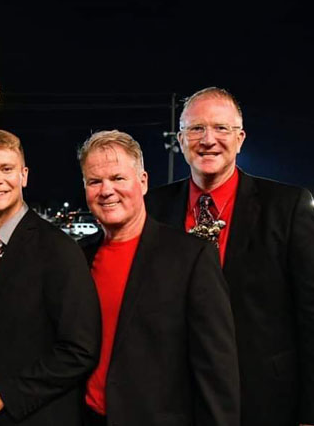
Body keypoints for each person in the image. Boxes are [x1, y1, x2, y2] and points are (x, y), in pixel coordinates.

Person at [146, 87, 314, 426]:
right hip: (174, 402)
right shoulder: (153, 208)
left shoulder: (287, 207)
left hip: (265, 401)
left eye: (221, 128)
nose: (208, 139)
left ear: (240, 138)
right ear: (180, 139)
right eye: (196, 128)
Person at [78, 130, 239, 425]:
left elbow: (217, 370)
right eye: (94, 181)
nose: (106, 190)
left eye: (117, 178)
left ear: (143, 182)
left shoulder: (191, 257)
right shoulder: (78, 256)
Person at [0, 129, 101, 425]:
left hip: (40, 417)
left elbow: (80, 350)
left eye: (6, 169)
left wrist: (7, 394)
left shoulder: (58, 250)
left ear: (23, 176)